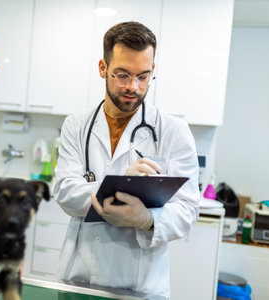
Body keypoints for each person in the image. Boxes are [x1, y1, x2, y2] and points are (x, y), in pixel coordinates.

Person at [53, 22, 199, 298]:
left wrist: (146, 219)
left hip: (139, 286)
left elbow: (188, 210)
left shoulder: (173, 131)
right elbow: (65, 191)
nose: (134, 87)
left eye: (143, 76)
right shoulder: (76, 124)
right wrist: (122, 180)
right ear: (102, 68)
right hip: (79, 278)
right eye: (122, 75)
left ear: (152, 70)